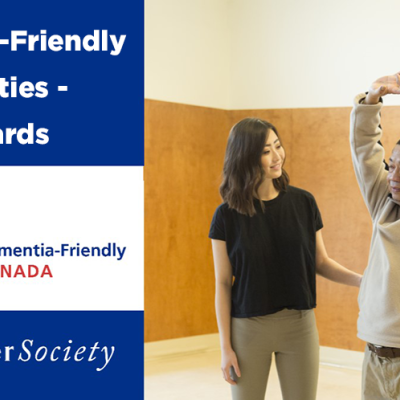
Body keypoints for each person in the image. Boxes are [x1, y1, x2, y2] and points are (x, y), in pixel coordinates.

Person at [209, 117, 362, 400]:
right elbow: (222, 283)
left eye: (278, 146)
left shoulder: (304, 203)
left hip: (299, 327)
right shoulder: (226, 216)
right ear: (245, 157)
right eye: (265, 151)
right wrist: (225, 347)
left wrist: (363, 281)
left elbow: (321, 262)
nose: (277, 156)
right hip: (248, 329)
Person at [350, 73, 400, 400]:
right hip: (373, 354)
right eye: (392, 166)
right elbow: (366, 147)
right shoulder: (385, 204)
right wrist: (372, 98)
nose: (392, 176)